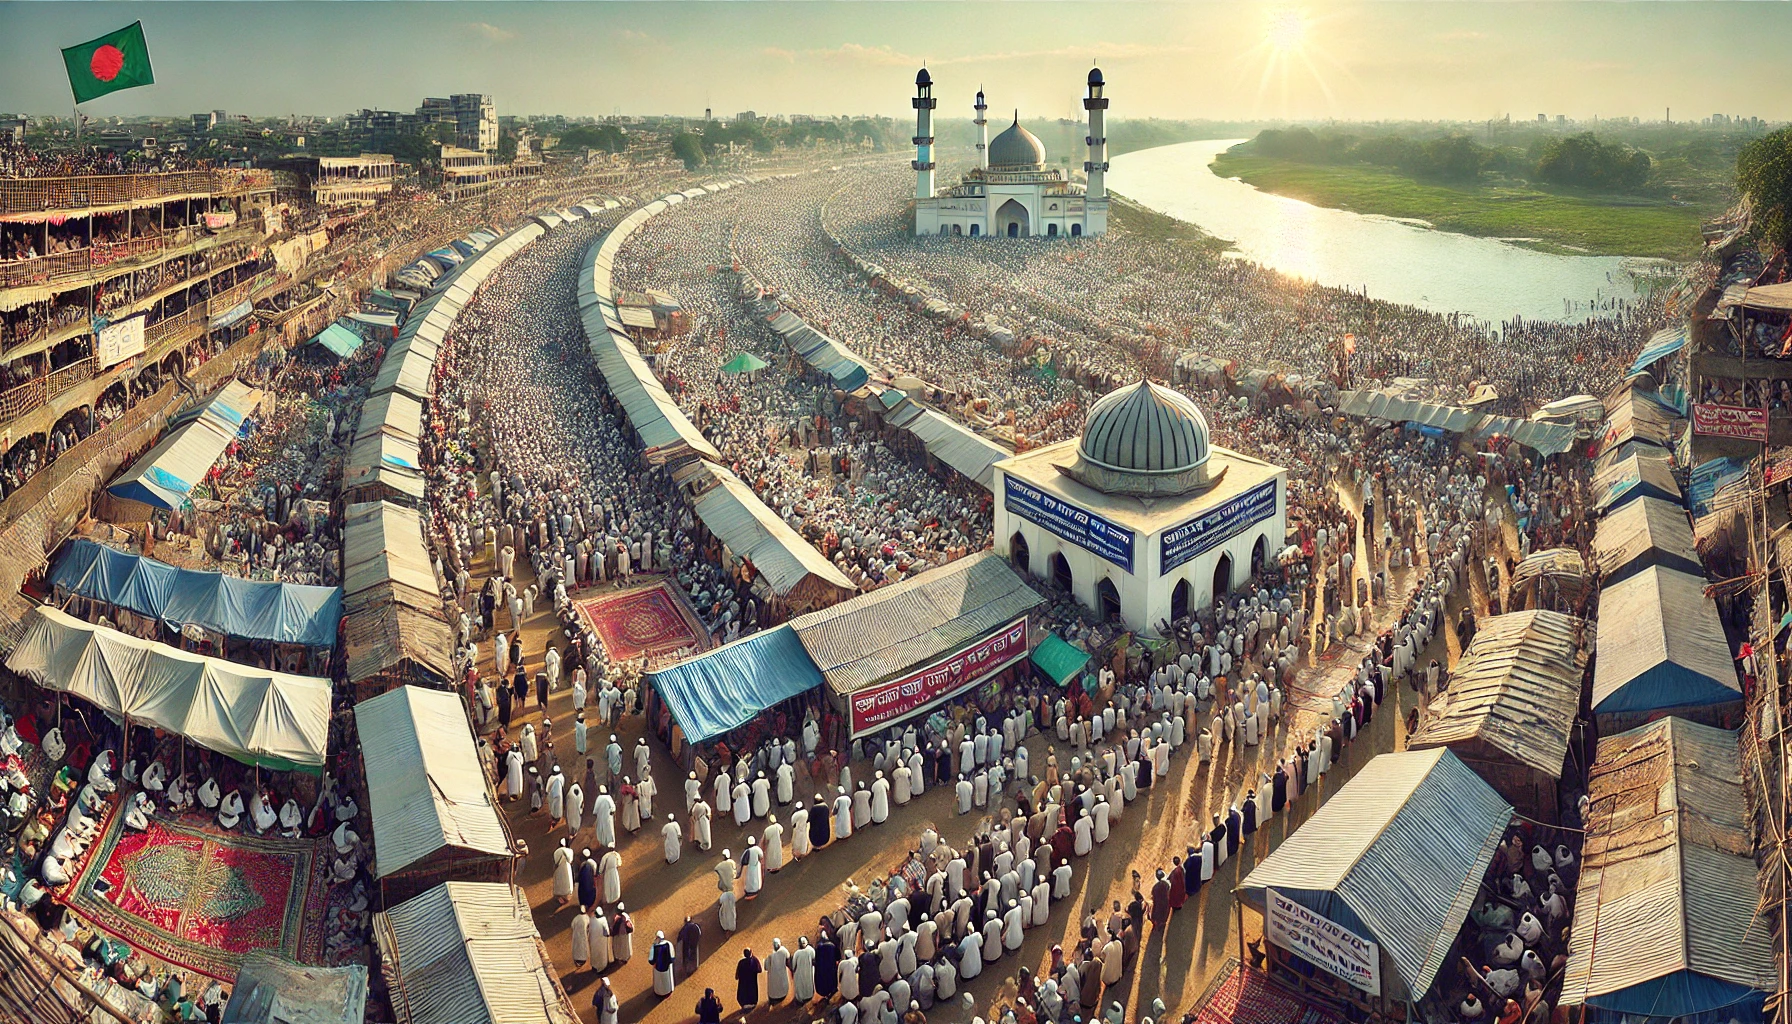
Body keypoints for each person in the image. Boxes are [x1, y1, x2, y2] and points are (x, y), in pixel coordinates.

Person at [650, 931, 676, 996]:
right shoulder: (669, 944)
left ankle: (659, 992)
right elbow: (672, 956)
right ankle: (668, 990)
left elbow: (651, 959)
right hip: (667, 967)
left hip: (657, 967)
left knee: (659, 980)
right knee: (667, 979)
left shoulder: (654, 946)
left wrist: (654, 963)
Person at [766, 937, 791, 1003]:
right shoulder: (784, 951)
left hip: (772, 992)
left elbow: (766, 967)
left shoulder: (770, 954)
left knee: (773, 986)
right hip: (783, 989)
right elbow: (788, 960)